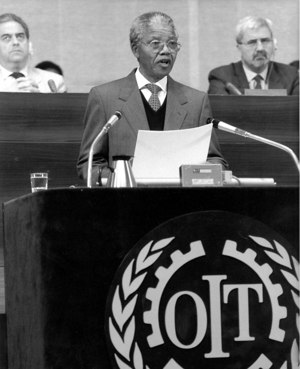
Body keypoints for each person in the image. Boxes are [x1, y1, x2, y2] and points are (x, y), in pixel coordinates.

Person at [77, 11, 228, 183]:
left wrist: (199, 174)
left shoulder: (196, 101)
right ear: (136, 49)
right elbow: (89, 164)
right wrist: (123, 179)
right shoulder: (105, 98)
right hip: (126, 203)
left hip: (182, 203)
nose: (166, 51)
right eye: (156, 44)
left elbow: (216, 161)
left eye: (172, 44)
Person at [208, 16, 299, 95]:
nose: (260, 48)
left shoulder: (291, 75)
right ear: (239, 47)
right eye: (252, 42)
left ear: (274, 44)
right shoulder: (221, 77)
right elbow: (221, 113)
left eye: (265, 41)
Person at [0, 13, 66, 92]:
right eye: (6, 38)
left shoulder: (55, 80)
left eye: (20, 36)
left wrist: (39, 100)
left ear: (28, 43)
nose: (15, 42)